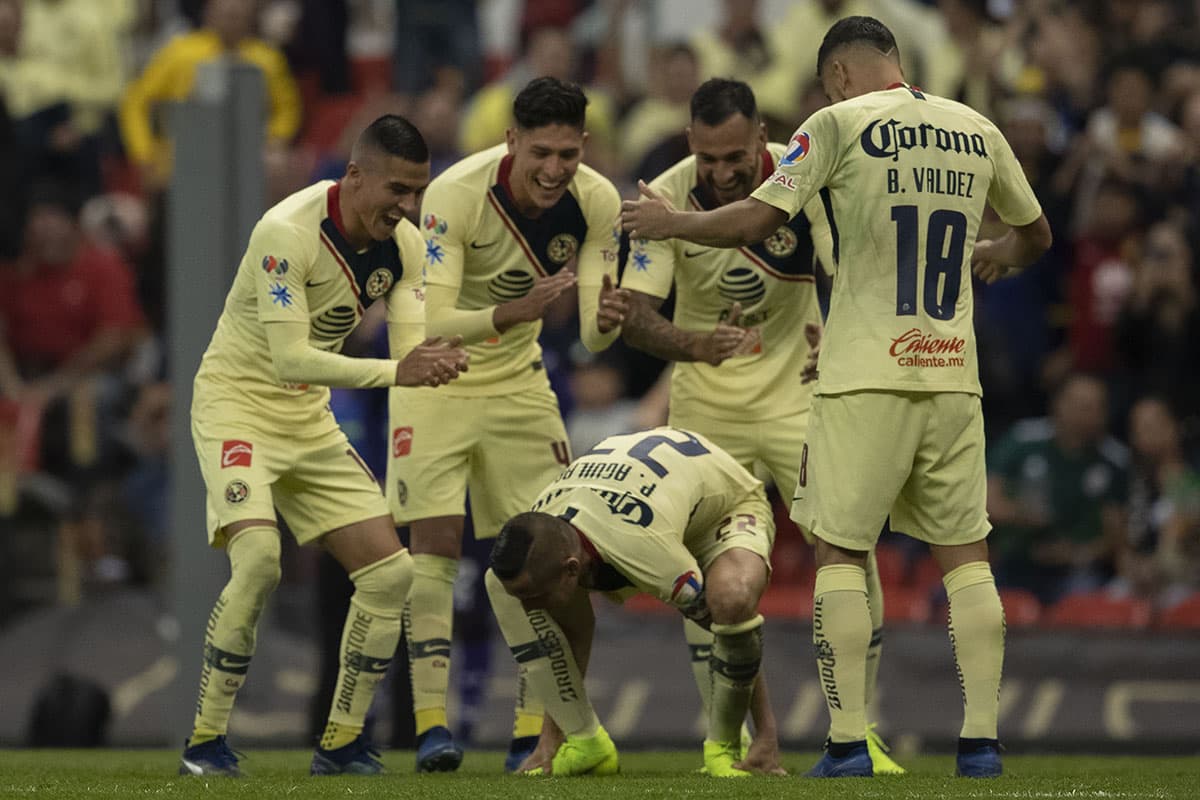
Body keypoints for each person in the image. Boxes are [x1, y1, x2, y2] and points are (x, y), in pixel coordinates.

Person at [621, 16, 1052, 778]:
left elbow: (758, 217)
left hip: (861, 376)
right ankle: (981, 744)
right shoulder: (974, 126)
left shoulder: (836, 123)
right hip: (952, 372)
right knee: (966, 558)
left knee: (842, 552)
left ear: (840, 76)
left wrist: (671, 221)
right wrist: (996, 254)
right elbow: (1037, 235)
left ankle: (848, 742)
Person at [619, 76, 903, 775]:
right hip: (706, 410)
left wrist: (836, 345)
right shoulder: (665, 193)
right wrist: (694, 344)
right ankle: (731, 742)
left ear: (759, 139)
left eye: (736, 157)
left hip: (798, 401)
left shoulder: (801, 172)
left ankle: (854, 732)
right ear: (692, 142)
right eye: (709, 159)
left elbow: (853, 277)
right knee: (707, 571)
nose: (722, 172)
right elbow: (635, 315)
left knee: (848, 548)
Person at [178, 114, 468, 778]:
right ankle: (204, 744)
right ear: (356, 175)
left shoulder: (406, 245)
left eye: (418, 191)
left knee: (390, 573)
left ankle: (340, 743)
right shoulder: (286, 234)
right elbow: (290, 360)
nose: (408, 206)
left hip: (307, 419)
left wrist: (439, 374)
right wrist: (403, 371)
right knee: (258, 563)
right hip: (238, 406)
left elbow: (408, 351)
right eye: (397, 189)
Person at [388, 76, 628, 773]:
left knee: (548, 557)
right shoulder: (456, 196)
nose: (555, 170)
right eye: (541, 154)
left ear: (583, 145)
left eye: (567, 154)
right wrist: (514, 310)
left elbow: (592, 326)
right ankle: (431, 728)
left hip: (518, 383)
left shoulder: (598, 203)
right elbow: (435, 318)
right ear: (511, 141)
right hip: (435, 369)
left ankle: (534, 734)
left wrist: (608, 324)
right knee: (435, 545)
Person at [485, 427, 775, 777]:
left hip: (723, 508)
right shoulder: (546, 530)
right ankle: (583, 741)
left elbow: (734, 635)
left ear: (572, 569)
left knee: (730, 601)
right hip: (651, 500)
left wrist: (766, 734)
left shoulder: (644, 552)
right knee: (498, 585)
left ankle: (729, 747)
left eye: (536, 596)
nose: (530, 608)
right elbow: (568, 633)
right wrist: (551, 736)